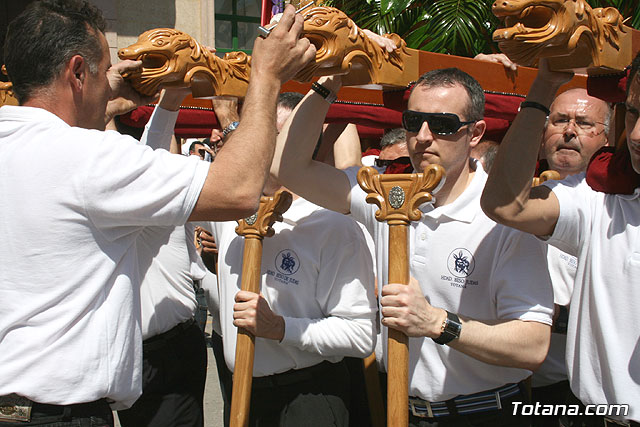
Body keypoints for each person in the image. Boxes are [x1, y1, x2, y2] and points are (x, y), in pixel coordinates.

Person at [0, 0, 315, 425]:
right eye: (103, 69)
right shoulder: (87, 157)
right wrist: (266, 77)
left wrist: (106, 95)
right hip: (56, 414)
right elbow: (238, 191)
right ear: (77, 72)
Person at [271, 69, 554, 426]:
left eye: (443, 124)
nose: (422, 137)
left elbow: (533, 345)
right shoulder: (386, 195)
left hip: (484, 413)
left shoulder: (502, 216)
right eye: (413, 121)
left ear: (475, 133)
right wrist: (330, 83)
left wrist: (437, 322)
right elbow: (288, 167)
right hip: (402, 411)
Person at [481, 54, 640, 425]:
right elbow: (507, 205)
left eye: (585, 123)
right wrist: (543, 87)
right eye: (633, 113)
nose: (636, 136)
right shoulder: (600, 199)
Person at [204, 92, 378, 427]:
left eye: (275, 134)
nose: (259, 141)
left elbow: (359, 335)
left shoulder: (333, 226)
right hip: (242, 397)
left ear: (301, 144)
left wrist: (280, 328)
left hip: (307, 399)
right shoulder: (228, 211)